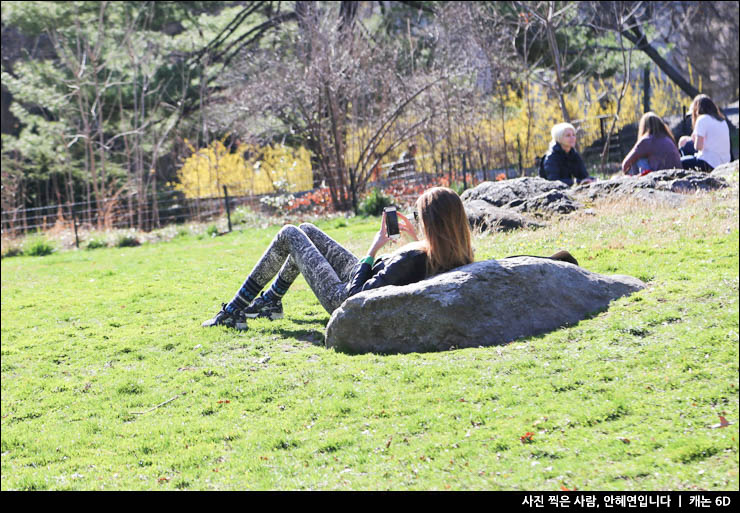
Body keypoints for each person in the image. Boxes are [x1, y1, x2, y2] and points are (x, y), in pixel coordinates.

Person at [202, 187, 475, 331]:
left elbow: (354, 297)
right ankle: (271, 302)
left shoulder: (413, 258)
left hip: (341, 297)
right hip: (366, 277)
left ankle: (232, 311)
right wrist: (415, 239)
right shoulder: (452, 255)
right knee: (307, 230)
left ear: (432, 223)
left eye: (419, 217)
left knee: (289, 234)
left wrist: (373, 249)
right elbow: (406, 268)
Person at [679, 94, 731, 172]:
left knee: (680, 162)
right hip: (724, 161)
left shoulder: (702, 119)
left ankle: (691, 174)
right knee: (685, 143)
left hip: (709, 162)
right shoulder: (722, 120)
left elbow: (698, 147)